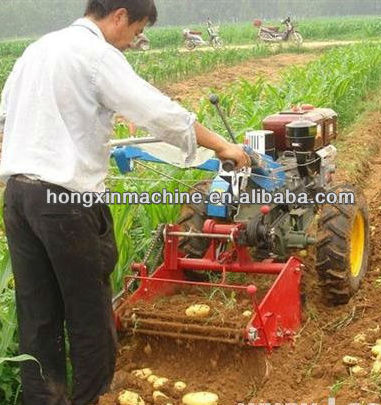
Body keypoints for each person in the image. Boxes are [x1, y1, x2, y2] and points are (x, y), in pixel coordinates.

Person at [0, 0, 250, 404]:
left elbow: (6, 118)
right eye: (135, 32)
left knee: (38, 316)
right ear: (119, 15)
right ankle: (93, 398)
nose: (134, 43)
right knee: (89, 317)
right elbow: (162, 114)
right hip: (67, 203)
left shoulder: (38, 49)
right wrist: (223, 146)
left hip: (19, 199)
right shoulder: (97, 55)